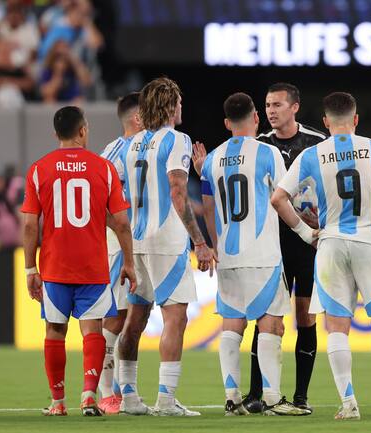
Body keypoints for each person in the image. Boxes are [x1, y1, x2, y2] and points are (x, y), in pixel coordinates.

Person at [271, 92, 371, 420]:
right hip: (370, 241)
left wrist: (304, 233)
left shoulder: (312, 154)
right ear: (355, 120)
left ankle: (349, 404)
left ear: (326, 123)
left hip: (331, 243)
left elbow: (279, 198)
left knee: (337, 326)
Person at [21, 106, 136, 416]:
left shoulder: (38, 169)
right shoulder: (103, 168)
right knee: (93, 331)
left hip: (55, 266)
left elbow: (31, 225)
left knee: (55, 332)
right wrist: (129, 261)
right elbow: (121, 223)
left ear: (56, 133)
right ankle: (88, 396)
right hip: (93, 267)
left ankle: (58, 403)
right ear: (83, 130)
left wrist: (31, 267)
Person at [200, 92, 310, 416]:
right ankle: (274, 398)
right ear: (256, 118)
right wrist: (306, 232)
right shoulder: (268, 152)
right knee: (271, 325)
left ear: (225, 123)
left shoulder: (212, 158)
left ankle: (232, 398)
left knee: (232, 326)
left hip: (228, 256)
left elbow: (207, 205)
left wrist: (213, 244)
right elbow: (280, 198)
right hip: (262, 253)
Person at [116, 77, 216, 416]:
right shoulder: (177, 140)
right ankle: (165, 400)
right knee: (175, 317)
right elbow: (177, 191)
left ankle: (128, 397)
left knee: (135, 318)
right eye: (180, 103)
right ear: (172, 106)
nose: (182, 108)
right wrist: (200, 241)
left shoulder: (131, 144)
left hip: (136, 237)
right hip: (166, 239)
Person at [251, 82, 325, 412]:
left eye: (278, 104)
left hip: (306, 243)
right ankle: (256, 394)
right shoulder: (259, 145)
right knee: (266, 319)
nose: (271, 110)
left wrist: (322, 214)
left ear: (294, 107)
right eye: (268, 105)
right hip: (271, 243)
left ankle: (301, 397)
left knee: (304, 317)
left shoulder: (316, 143)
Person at [96, 92, 144, 414]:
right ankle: (105, 390)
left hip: (145, 241)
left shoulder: (150, 147)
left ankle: (127, 392)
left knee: (137, 316)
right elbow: (100, 206)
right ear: (138, 118)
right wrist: (120, 238)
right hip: (119, 243)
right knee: (118, 315)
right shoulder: (112, 155)